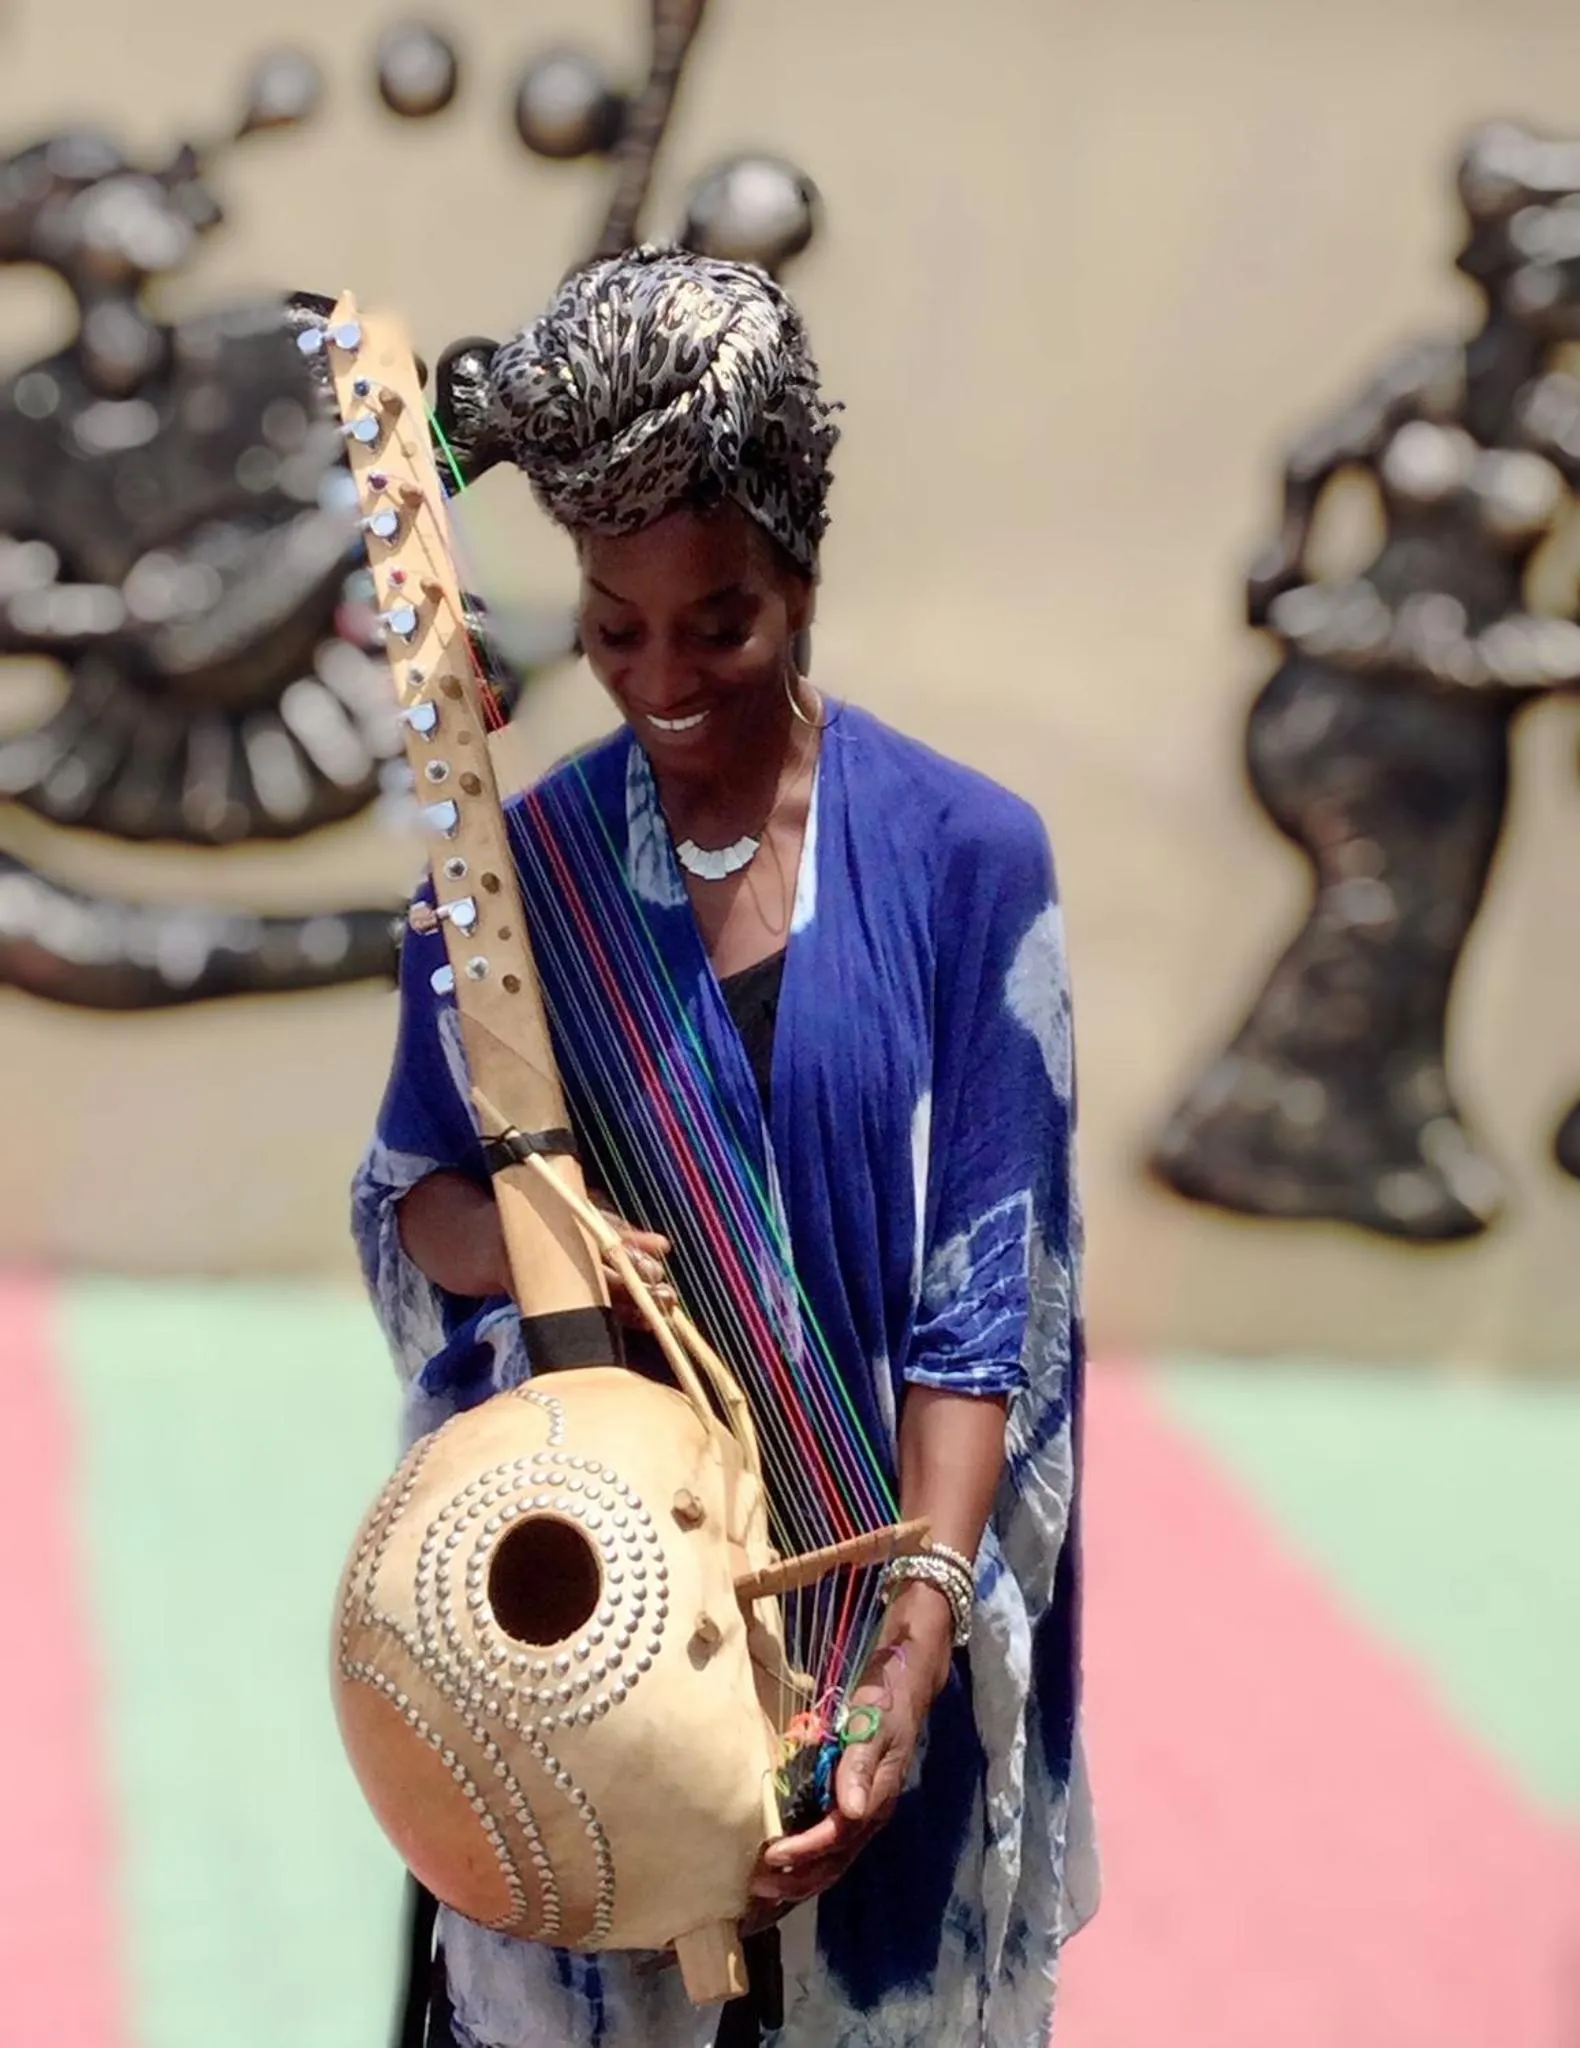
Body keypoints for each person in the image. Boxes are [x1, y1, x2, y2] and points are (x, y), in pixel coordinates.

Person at [352, 243, 1095, 2048]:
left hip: (871, 1644)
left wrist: (909, 1660)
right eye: (614, 628)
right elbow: (415, 1197)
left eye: (720, 622)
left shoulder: (964, 863)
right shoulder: (508, 889)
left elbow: (985, 1313)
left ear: (805, 583)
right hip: (591, 1679)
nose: (661, 678)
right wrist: (539, 1223)